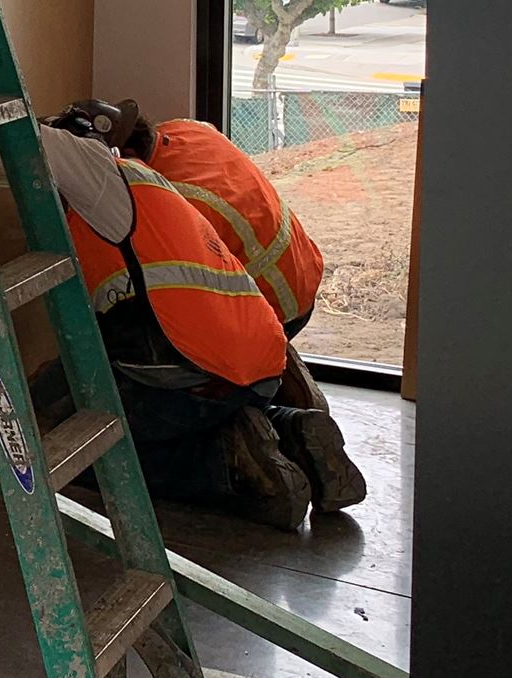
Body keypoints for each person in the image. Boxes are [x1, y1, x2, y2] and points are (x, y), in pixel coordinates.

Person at [35, 100, 357, 529]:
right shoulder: (189, 134)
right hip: (271, 323)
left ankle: (228, 459)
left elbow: (23, 143)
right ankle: (290, 428)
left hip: (209, 359)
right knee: (72, 388)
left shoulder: (124, 193)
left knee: (79, 447)